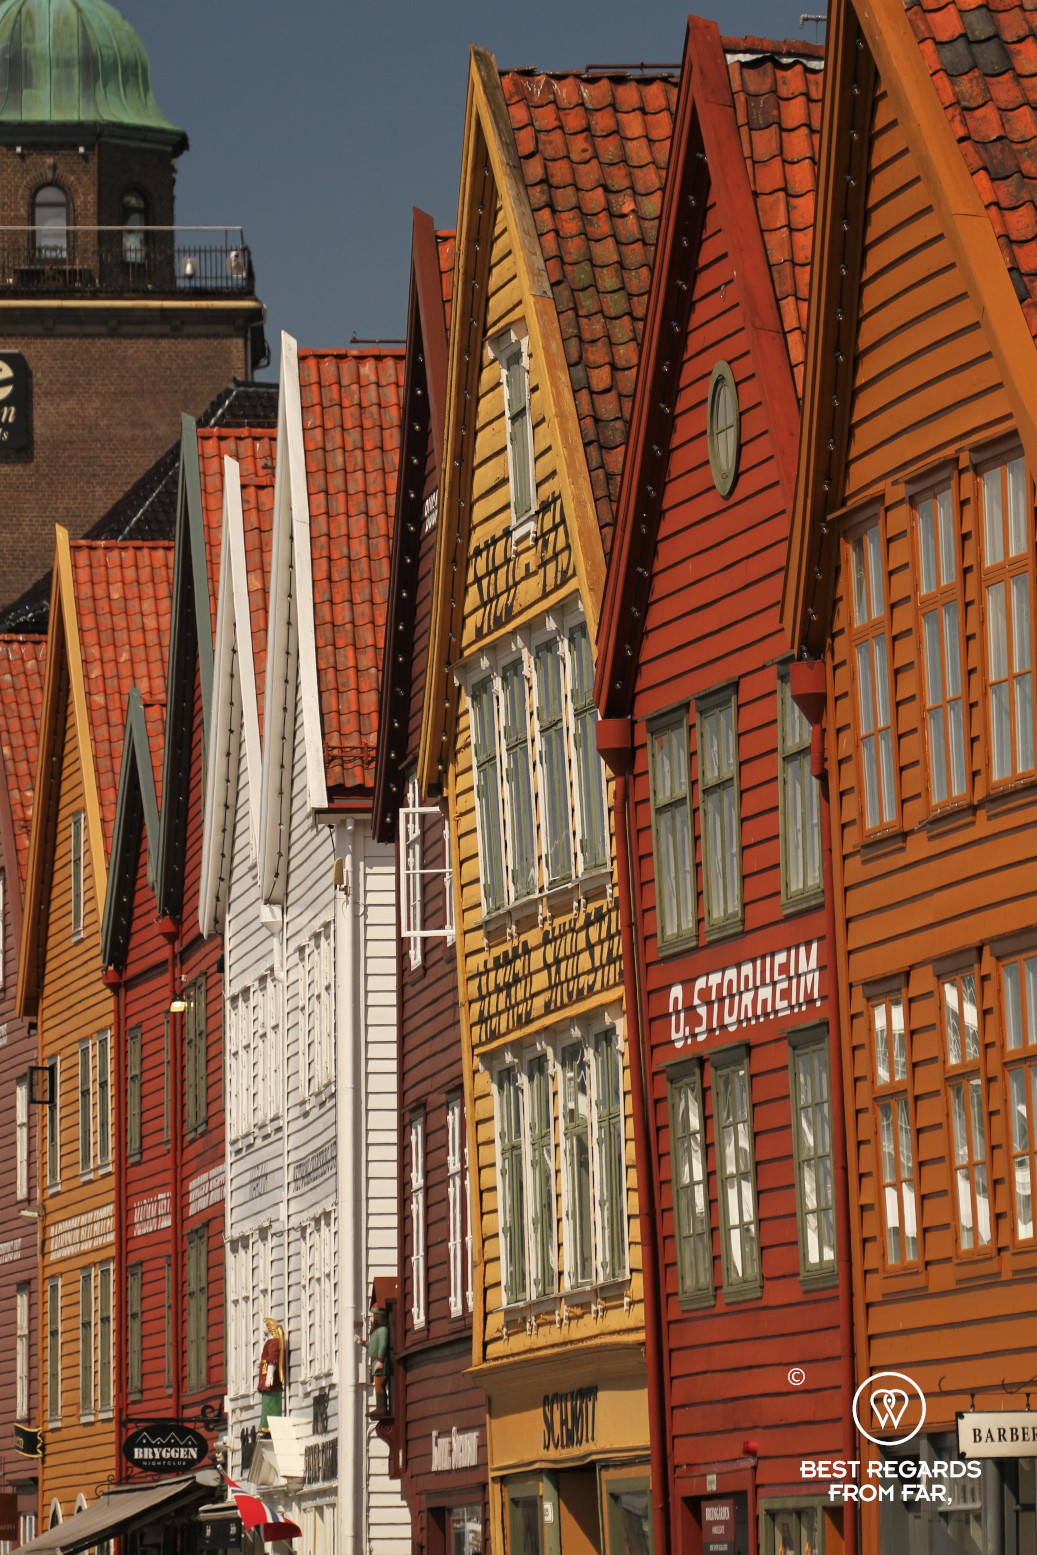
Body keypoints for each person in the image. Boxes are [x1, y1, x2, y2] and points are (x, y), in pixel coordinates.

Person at [258, 1317, 285, 1433]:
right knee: (266, 1402)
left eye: (265, 1326)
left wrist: (270, 1375)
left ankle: (269, 1425)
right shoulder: (269, 1342)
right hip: (265, 1375)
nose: (263, 1328)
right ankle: (265, 1424)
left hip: (270, 1379)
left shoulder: (274, 1342)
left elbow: (273, 1360)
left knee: (270, 1402)